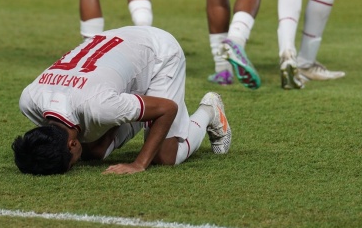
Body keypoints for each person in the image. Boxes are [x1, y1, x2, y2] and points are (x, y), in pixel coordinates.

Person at [12, 26, 231, 175]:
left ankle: (209, 111)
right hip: (118, 45)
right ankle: (140, 107)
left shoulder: (98, 106)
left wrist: (139, 164)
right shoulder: (29, 99)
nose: (76, 163)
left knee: (165, 156)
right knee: (95, 151)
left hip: (158, 53)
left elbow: (167, 108)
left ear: (72, 144)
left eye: (72, 161)